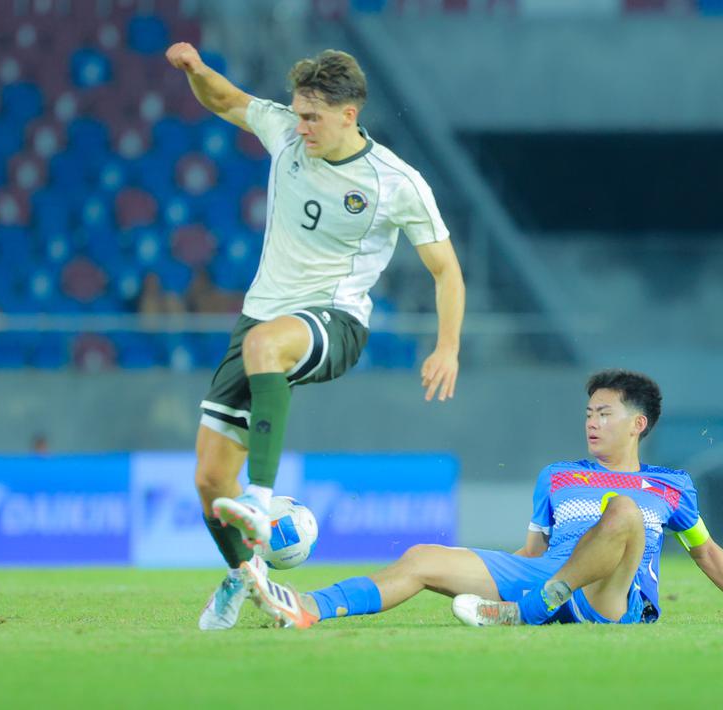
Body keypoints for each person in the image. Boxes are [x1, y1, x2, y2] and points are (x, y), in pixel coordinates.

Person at [165, 43, 466, 631]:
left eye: (313, 118)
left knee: (265, 348)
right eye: (298, 114)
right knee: (206, 480)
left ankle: (260, 498)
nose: (300, 126)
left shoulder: (395, 182)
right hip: (260, 319)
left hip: (335, 321)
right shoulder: (284, 132)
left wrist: (448, 345)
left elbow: (446, 269)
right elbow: (224, 99)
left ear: (349, 115)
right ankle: (246, 579)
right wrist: (197, 72)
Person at [247, 370, 723, 629]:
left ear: (638, 424)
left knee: (621, 514)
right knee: (422, 556)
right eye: (588, 413)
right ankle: (309, 608)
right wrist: (482, 572)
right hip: (542, 575)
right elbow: (529, 549)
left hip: (610, 597)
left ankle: (533, 610)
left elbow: (706, 552)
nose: (591, 423)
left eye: (605, 414)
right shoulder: (557, 476)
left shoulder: (671, 487)